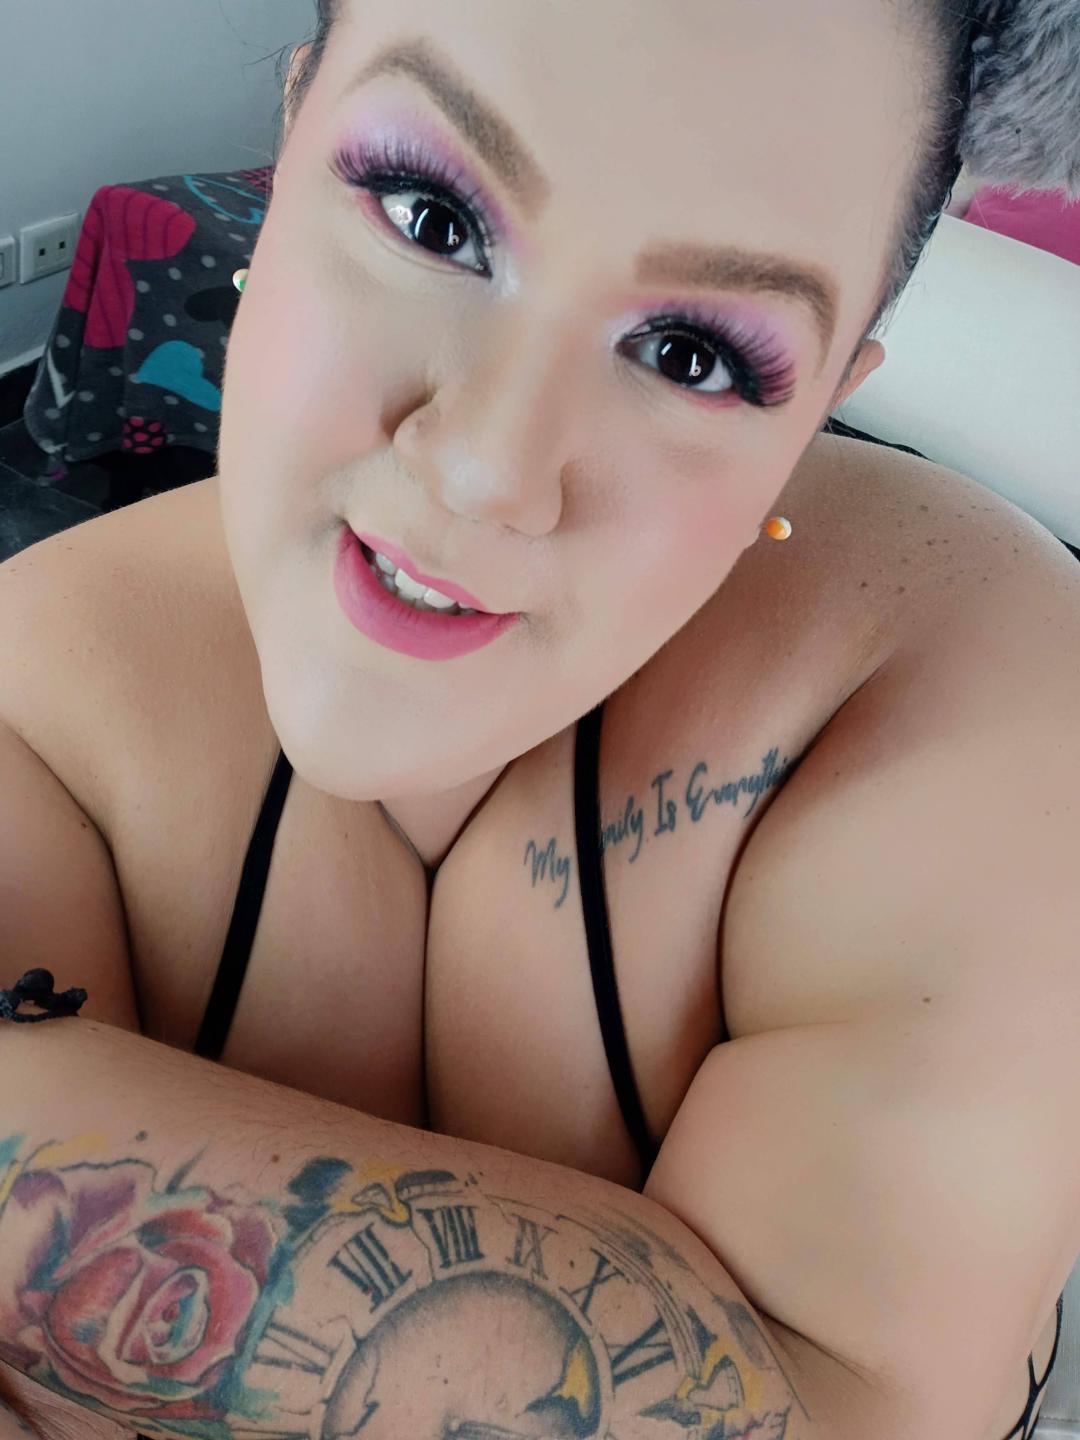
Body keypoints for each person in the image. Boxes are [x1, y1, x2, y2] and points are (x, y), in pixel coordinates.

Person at [1, 2, 1079, 1438]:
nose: (489, 473)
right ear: (290, 135)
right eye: (431, 217)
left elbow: (851, 1412)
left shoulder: (964, 684)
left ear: (820, 408)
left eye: (690, 353)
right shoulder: (30, 697)